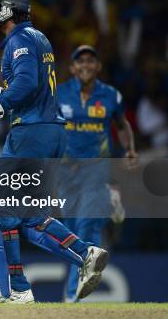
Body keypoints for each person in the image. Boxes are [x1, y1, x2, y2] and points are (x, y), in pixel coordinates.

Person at [0, 0, 108, 303]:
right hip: (49, 131)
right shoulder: (36, 37)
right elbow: (29, 90)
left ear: (9, 9)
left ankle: (15, 291)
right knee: (28, 217)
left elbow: (24, 85)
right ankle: (84, 253)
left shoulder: (18, 40)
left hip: (31, 133)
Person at [57, 45, 137, 302]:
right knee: (70, 233)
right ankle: (110, 197)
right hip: (66, 171)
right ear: (72, 68)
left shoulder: (111, 95)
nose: (85, 65)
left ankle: (73, 294)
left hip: (96, 167)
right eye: (80, 61)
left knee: (86, 224)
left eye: (91, 60)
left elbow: (122, 125)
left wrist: (130, 150)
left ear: (98, 66)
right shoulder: (60, 93)